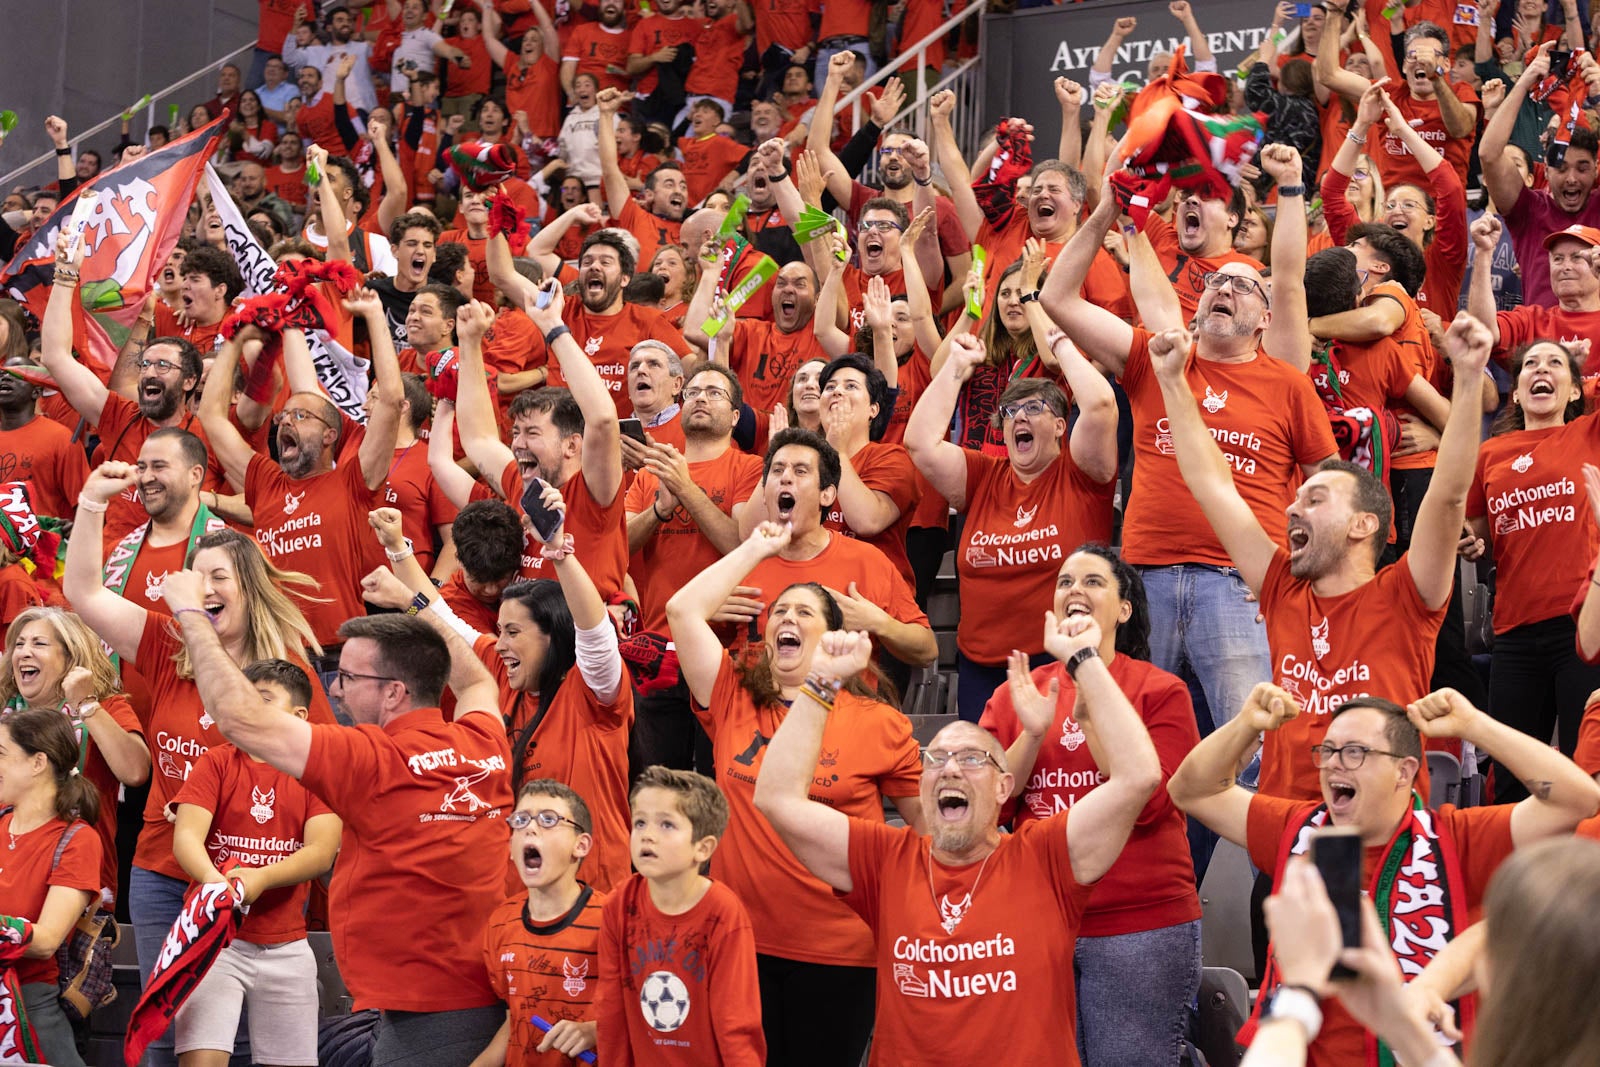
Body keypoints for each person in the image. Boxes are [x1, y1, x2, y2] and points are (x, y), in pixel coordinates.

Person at [753, 605, 1161, 1064]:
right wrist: (821, 682)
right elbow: (776, 799)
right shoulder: (885, 860)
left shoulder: (1043, 857)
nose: (948, 769)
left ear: (1004, 787)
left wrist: (1084, 658)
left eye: (971, 759)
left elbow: (1139, 776)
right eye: (935, 759)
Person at [1044, 150, 1337, 781]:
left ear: (1265, 319)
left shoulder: (1288, 383)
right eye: (1214, 285)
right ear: (1194, 308)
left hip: (1239, 585)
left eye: (1242, 286)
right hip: (1143, 582)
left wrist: (1300, 571)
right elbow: (1056, 297)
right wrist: (1107, 211)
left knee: (1250, 759)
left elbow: (1329, 483)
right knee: (1135, 756)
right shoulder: (1157, 360)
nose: (1224, 289)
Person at [161, 573, 513, 1066]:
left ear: (393, 693)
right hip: (475, 991)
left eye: (347, 677)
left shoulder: (372, 758)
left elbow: (239, 719)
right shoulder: (483, 740)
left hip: (428, 1009)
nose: (338, 692)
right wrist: (413, 606)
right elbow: (477, 681)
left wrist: (191, 614)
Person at [1146, 307, 1489, 802]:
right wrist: (1172, 381)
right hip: (1286, 827)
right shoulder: (1282, 585)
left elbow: (1450, 496)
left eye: (1315, 499)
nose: (1292, 508)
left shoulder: (1407, 595)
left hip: (1375, 829)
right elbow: (1212, 483)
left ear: (1363, 524)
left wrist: (1471, 376)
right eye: (1298, 498)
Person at [1168, 682, 1600, 1065]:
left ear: (1404, 771)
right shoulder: (1295, 828)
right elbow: (1190, 790)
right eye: (1328, 750)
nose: (1334, 764)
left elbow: (1577, 800)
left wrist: (1475, 725)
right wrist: (1245, 724)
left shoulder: (1457, 837)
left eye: (1355, 752)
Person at [63, 466, 335, 1067]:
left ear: (251, 588)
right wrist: (90, 503)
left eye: (219, 576)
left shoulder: (289, 676)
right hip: (166, 871)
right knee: (170, 1031)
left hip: (255, 877)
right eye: (197, 575)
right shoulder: (170, 643)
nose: (205, 587)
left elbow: (321, 776)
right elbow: (84, 592)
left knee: (244, 1044)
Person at [667, 523, 925, 1065]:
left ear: (835, 638)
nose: (786, 618)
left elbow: (927, 833)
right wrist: (758, 546)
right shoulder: (734, 694)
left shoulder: (878, 721)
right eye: (779, 612)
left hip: (839, 951)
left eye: (804, 612)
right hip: (738, 939)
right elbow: (682, 611)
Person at [979, 546, 1202, 1066]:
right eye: (1065, 581)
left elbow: (1147, 804)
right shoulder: (1018, 691)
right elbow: (989, 809)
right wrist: (1033, 733)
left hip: (1139, 926)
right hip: (1042, 920)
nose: (1075, 589)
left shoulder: (1160, 690)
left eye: (1093, 581)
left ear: (1124, 609)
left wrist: (1089, 710)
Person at [364, 488, 635, 894]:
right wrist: (401, 563)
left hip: (593, 894)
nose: (501, 643)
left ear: (551, 636)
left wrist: (559, 550)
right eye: (500, 631)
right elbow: (447, 625)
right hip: (517, 895)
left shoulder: (594, 691)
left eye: (513, 632)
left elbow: (595, 634)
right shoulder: (502, 672)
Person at [906, 329, 1118, 720]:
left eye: (1034, 408)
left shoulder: (1082, 476)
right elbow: (920, 442)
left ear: (1060, 425)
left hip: (1061, 661)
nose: (1019, 416)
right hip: (980, 670)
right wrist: (956, 366)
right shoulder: (983, 476)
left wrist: (1061, 346)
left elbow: (1102, 405)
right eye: (1009, 412)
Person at [199, 308, 401, 672]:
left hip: (338, 658)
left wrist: (374, 315)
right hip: (273, 657)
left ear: (329, 435)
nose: (285, 422)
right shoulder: (265, 481)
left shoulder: (353, 482)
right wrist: (234, 340)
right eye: (283, 417)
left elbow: (390, 400)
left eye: (301, 416)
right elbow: (211, 416)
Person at [170, 659, 342, 1067]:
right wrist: (216, 883)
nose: (247, 705)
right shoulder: (216, 762)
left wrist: (259, 878)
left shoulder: (317, 774)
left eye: (263, 698)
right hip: (214, 938)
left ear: (299, 716)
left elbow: (321, 852)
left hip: (288, 944)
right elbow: (186, 838)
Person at [1463, 337, 1600, 798]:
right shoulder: (1490, 454)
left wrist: (1585, 366)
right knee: (1512, 779)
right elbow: (1478, 532)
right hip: (1514, 632)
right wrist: (1469, 542)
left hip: (1582, 628)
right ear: (1517, 394)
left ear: (1575, 391)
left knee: (1586, 770)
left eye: (1555, 364)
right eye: (1531, 365)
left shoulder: (1590, 433)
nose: (1541, 369)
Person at [441, 290, 628, 600]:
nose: (517, 443)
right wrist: (470, 343)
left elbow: (604, 419)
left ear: (571, 445)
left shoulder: (594, 492)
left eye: (532, 433)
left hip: (577, 630)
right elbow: (478, 438)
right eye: (516, 432)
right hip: (519, 628)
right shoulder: (522, 483)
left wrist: (553, 328)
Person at [41, 236, 228, 544]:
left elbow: (255, 504)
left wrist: (204, 500)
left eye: (163, 366)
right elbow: (55, 357)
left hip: (183, 568)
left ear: (189, 381)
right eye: (146, 365)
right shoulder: (119, 416)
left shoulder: (212, 434)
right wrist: (65, 274)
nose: (150, 373)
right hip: (115, 567)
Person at [625, 363, 762, 771]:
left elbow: (740, 544)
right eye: (694, 392)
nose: (701, 397)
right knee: (659, 780)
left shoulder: (750, 468)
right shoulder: (651, 475)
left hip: (723, 650)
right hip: (658, 650)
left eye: (714, 393)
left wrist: (685, 489)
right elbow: (620, 546)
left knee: (716, 777)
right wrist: (659, 510)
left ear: (735, 417)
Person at [595, 766, 765, 1065]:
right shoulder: (618, 905)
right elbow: (611, 1011)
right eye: (640, 822)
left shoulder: (723, 913)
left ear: (703, 848)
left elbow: (736, 1024)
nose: (647, 835)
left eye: (666, 825)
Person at [737, 428, 936, 671]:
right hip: (758, 695)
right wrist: (711, 611)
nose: (785, 477)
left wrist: (879, 623)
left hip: (842, 696)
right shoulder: (740, 565)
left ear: (827, 494)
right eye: (777, 470)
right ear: (764, 493)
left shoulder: (866, 561)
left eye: (800, 471)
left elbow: (927, 650)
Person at [0, 608, 150, 908]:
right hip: (8, 876)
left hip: (77, 878)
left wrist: (85, 704)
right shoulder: (3, 708)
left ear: (70, 657)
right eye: (19, 644)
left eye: (39, 643)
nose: (24, 652)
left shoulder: (105, 707)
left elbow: (135, 771)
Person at [474, 780, 605, 1067]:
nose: (530, 828)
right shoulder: (500, 923)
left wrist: (594, 1031)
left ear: (581, 845)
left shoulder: (610, 921)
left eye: (548, 820)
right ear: (511, 848)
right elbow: (514, 1021)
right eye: (520, 820)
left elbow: (645, 1020)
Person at [0, 708, 103, 1067]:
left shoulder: (77, 840)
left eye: (1, 753)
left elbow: (46, 941)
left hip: (28, 1005)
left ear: (38, 762)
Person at [1480, 40, 1600, 306]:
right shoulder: (1529, 211)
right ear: (1545, 169)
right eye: (1561, 168)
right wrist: (1525, 82)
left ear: (1596, 168)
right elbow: (1489, 154)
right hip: (1540, 333)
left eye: (1582, 168)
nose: (1571, 178)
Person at [0, 359, 88, 521]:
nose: (5, 378)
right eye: (2, 374)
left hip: (41, 535)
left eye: (17, 374)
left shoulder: (60, 438)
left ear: (36, 392)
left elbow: (84, 503)